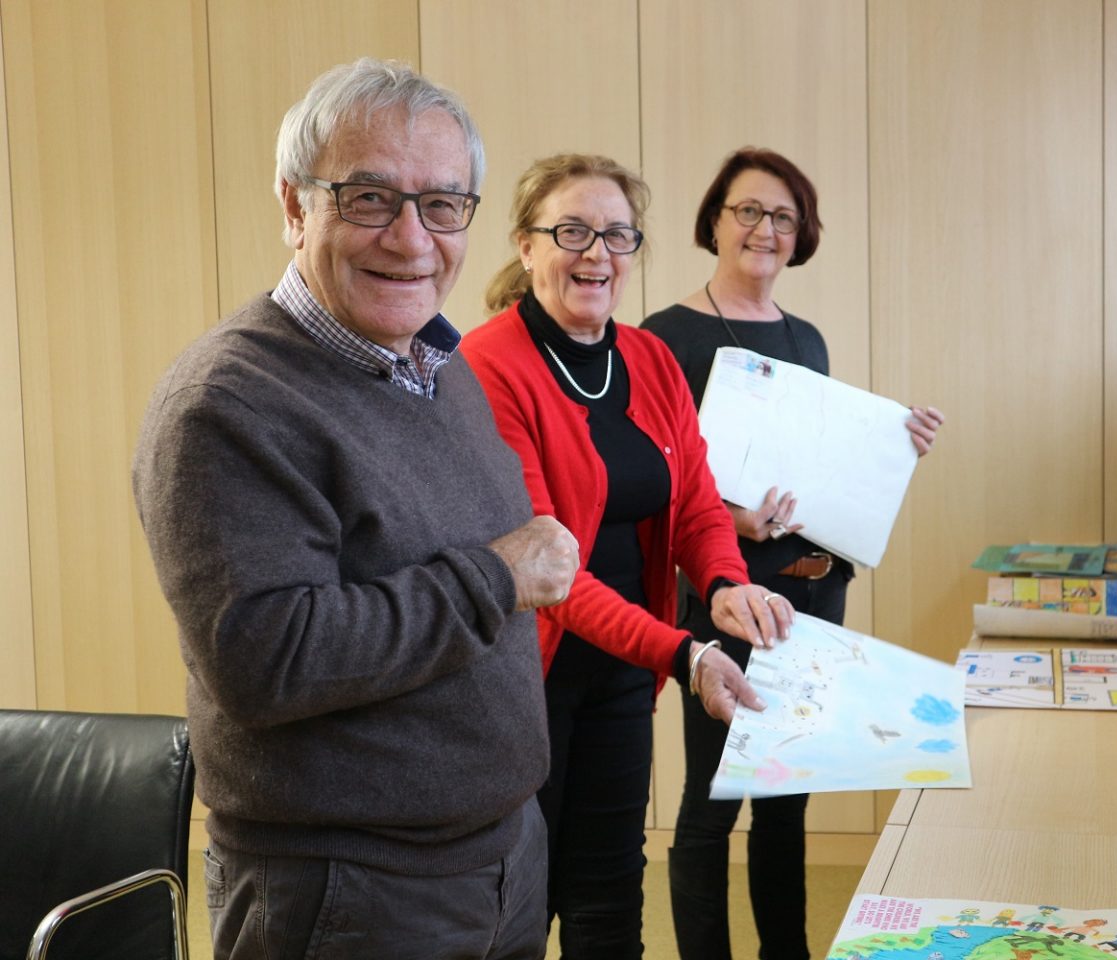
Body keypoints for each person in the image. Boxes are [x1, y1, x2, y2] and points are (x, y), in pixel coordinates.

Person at [132, 58, 581, 960]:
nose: (413, 240)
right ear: (297, 207)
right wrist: (498, 576)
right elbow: (269, 656)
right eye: (370, 198)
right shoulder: (227, 403)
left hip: (500, 858)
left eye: (444, 204)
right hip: (350, 890)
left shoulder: (434, 365)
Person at [458, 153, 794, 960]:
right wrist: (683, 650)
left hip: (621, 668)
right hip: (525, 675)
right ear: (526, 244)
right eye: (571, 231)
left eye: (616, 234)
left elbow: (697, 503)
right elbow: (550, 573)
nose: (596, 253)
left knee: (610, 891)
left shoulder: (647, 358)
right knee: (519, 901)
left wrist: (723, 585)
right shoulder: (488, 364)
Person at [641, 147, 945, 960]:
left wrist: (897, 445)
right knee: (712, 805)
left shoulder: (807, 338)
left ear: (800, 233)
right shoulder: (663, 337)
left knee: (787, 800)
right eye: (747, 211)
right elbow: (652, 475)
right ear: (714, 220)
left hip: (815, 593)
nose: (764, 229)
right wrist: (729, 523)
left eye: (782, 216)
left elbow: (827, 475)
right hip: (727, 592)